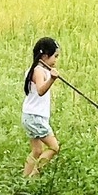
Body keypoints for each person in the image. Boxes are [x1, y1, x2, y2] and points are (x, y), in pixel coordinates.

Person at [22, 35, 62, 177]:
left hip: (31, 115)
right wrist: (52, 79)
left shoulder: (39, 69)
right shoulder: (38, 71)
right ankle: (34, 175)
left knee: (37, 151)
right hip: (35, 117)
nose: (56, 60)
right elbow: (40, 90)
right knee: (54, 147)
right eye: (55, 56)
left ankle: (24, 181)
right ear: (44, 56)